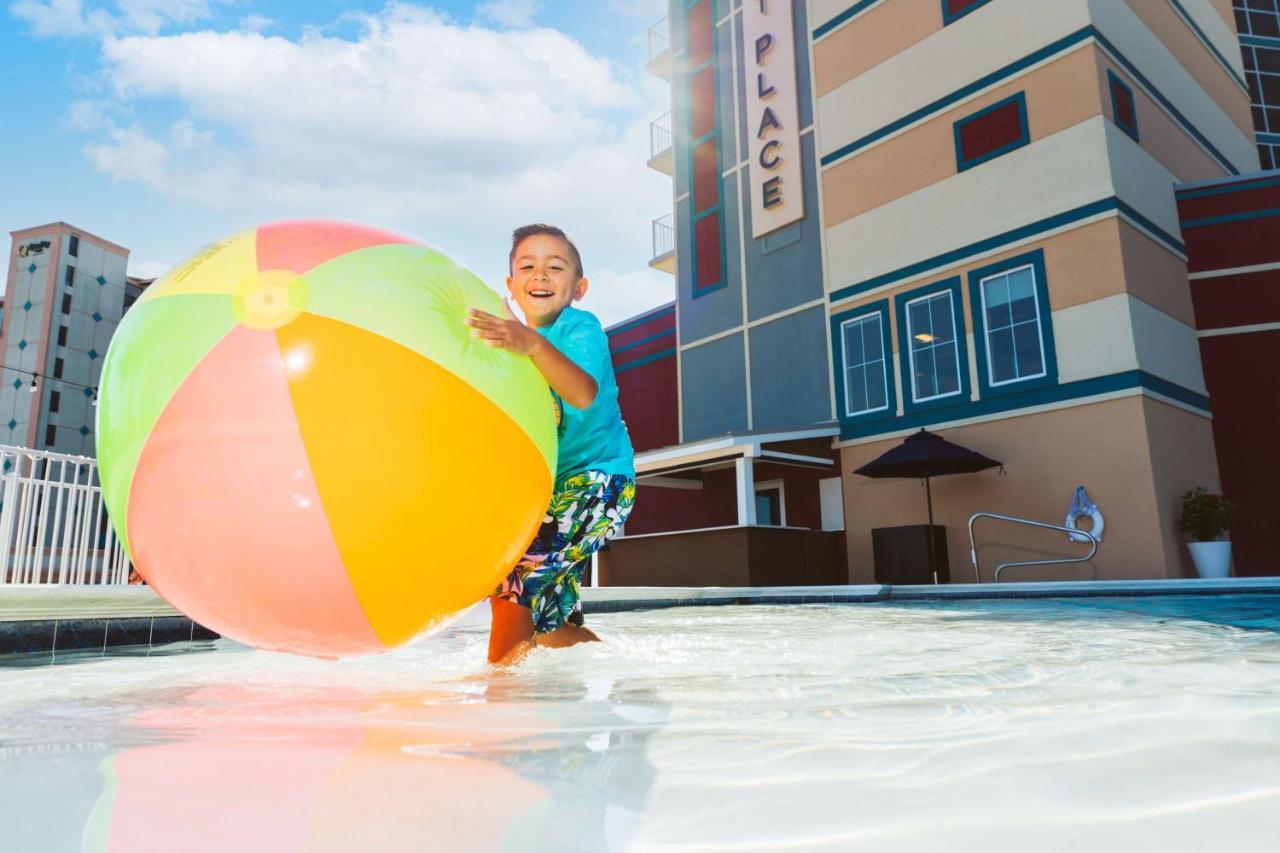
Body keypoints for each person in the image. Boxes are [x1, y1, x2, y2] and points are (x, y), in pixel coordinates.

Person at [466, 224, 636, 665]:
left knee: (513, 585)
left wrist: (530, 343)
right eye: (528, 266)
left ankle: (500, 693)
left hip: (599, 481)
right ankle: (624, 671)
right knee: (548, 622)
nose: (540, 275)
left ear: (578, 288)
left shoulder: (580, 327)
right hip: (555, 493)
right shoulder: (516, 349)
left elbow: (581, 393)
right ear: (511, 286)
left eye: (554, 267)